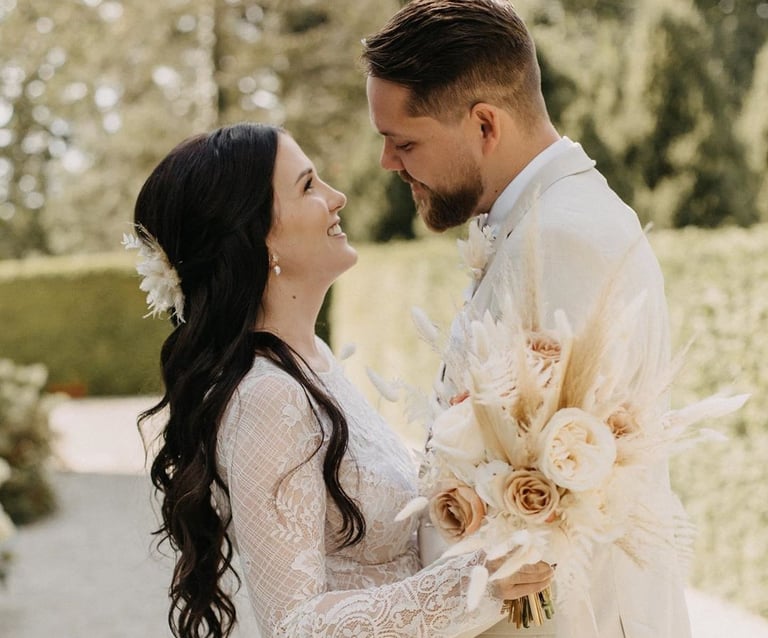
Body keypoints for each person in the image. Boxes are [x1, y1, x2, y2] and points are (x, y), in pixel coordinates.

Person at [130, 122, 553, 638]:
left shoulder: (314, 361)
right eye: (308, 185)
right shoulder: (267, 396)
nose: (337, 197)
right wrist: (474, 582)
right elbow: (295, 625)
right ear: (257, 237)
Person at [362, 1, 692, 637]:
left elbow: (549, 499)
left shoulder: (562, 238)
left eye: (404, 142)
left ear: (485, 123)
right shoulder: (546, 218)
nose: (388, 163)